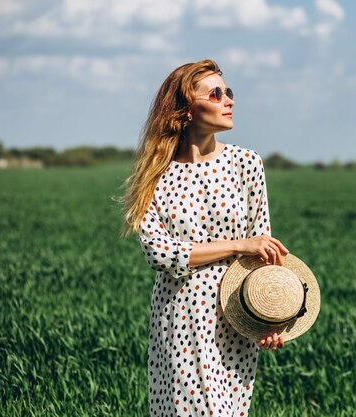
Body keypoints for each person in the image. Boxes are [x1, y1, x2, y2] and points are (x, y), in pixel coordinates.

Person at [118, 59, 289, 417]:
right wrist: (238, 245)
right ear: (183, 111)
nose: (228, 100)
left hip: (238, 316)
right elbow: (161, 255)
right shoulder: (155, 176)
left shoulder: (248, 164)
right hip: (183, 317)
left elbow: (263, 250)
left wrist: (271, 319)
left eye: (229, 92)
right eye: (215, 93)